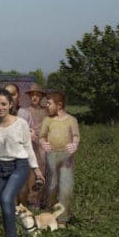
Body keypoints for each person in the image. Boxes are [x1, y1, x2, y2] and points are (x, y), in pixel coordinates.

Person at [0, 89, 44, 237]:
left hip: (18, 166)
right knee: (6, 204)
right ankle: (18, 235)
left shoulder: (21, 123)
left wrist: (36, 171)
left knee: (7, 198)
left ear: (10, 105)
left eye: (3, 104)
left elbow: (28, 148)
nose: (0, 107)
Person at [39, 91, 80, 222]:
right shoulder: (47, 120)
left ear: (59, 105)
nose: (46, 106)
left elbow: (76, 136)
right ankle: (49, 214)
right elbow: (42, 137)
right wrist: (43, 143)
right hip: (51, 156)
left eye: (49, 103)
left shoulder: (72, 120)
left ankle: (63, 218)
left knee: (66, 186)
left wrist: (75, 144)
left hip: (66, 158)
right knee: (51, 185)